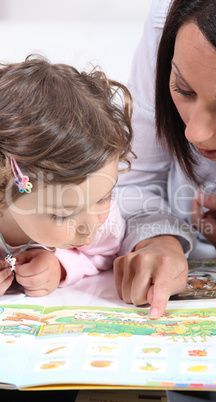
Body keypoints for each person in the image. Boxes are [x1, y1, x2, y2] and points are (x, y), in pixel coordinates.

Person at [114, 0, 216, 320]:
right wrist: (158, 239)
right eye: (183, 89)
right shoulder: (167, 21)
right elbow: (134, 178)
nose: (194, 133)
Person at [0, 55, 133, 297]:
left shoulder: (102, 220)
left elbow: (108, 252)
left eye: (105, 197)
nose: (89, 227)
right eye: (64, 215)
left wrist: (62, 265)